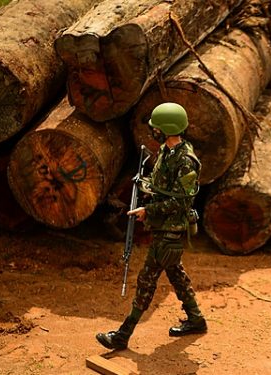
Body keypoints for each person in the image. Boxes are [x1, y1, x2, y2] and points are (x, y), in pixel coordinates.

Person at [96, 102, 206, 350]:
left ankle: (123, 335)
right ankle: (196, 318)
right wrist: (144, 184)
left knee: (147, 280)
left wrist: (149, 210)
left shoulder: (186, 161)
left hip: (171, 229)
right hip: (162, 226)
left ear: (166, 129)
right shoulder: (168, 152)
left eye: (157, 127)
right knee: (176, 274)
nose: (153, 130)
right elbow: (164, 187)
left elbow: (181, 201)